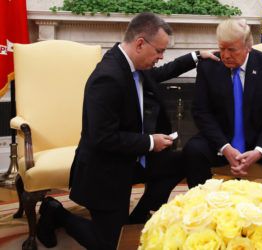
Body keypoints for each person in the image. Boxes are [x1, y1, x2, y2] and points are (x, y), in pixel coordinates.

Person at [36, 12, 219, 250]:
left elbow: (160, 73)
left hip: (131, 160)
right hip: (105, 170)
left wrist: (196, 56)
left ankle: (137, 220)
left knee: (184, 160)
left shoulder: (134, 66)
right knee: (111, 245)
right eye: (159, 51)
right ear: (140, 43)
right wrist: (150, 142)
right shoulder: (108, 78)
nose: (161, 57)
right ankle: (56, 212)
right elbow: (102, 137)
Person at [184, 18, 262, 194]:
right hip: (223, 136)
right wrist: (225, 147)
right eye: (222, 48)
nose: (225, 55)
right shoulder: (208, 67)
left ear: (248, 46)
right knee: (194, 150)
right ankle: (204, 207)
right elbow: (201, 112)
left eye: (232, 49)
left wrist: (259, 150)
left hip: (261, 135)